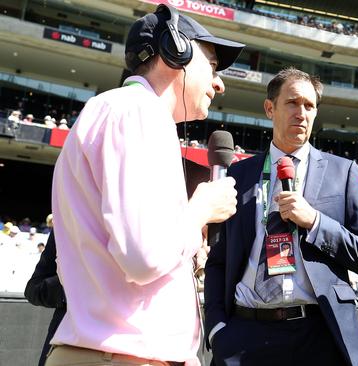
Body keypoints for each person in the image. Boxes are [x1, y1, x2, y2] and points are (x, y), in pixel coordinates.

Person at [47, 5, 244, 366]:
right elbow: (141, 258)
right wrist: (201, 208)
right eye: (212, 66)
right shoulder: (138, 111)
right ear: (175, 51)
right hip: (122, 356)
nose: (219, 83)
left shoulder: (121, 110)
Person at [204, 67, 358, 366]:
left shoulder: (343, 172)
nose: (302, 113)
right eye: (293, 103)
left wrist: (315, 221)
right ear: (270, 108)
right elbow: (217, 261)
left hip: (318, 334)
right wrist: (218, 329)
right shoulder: (238, 175)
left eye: (310, 106)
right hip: (244, 335)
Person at [24, 233, 66, 366]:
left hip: (128, 348)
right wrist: (72, 283)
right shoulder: (65, 223)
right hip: (66, 347)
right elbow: (33, 289)